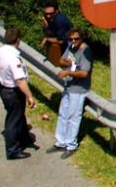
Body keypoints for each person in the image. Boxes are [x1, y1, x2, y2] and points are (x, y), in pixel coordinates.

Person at [0, 27, 37, 160]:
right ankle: (13, 150)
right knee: (13, 119)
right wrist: (30, 96)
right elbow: (20, 80)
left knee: (18, 115)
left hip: (2, 87)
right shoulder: (13, 57)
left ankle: (25, 138)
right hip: (13, 91)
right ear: (18, 40)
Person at [48, 27, 92, 159]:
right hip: (69, 86)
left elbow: (84, 73)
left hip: (79, 89)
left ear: (81, 38)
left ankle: (71, 144)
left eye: (76, 38)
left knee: (74, 116)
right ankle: (60, 141)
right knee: (63, 114)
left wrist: (68, 72)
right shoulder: (71, 47)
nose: (73, 41)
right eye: (71, 39)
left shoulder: (86, 51)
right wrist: (68, 63)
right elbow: (61, 60)